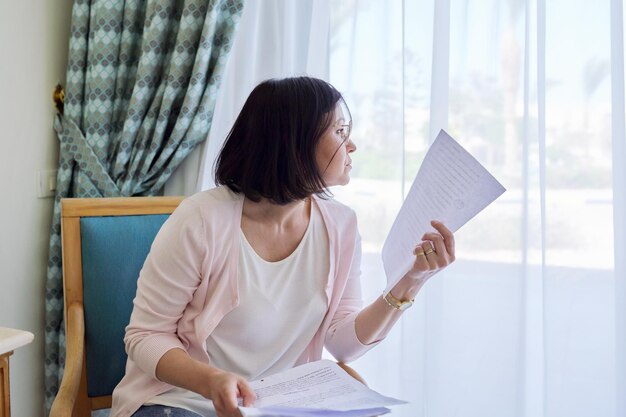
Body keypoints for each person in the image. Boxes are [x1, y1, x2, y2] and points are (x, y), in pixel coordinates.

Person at [111, 76, 455, 417]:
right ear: (294, 142)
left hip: (273, 407)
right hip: (182, 403)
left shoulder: (341, 225)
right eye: (340, 131)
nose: (352, 145)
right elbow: (145, 336)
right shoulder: (200, 220)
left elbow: (343, 343)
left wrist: (410, 280)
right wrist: (212, 381)